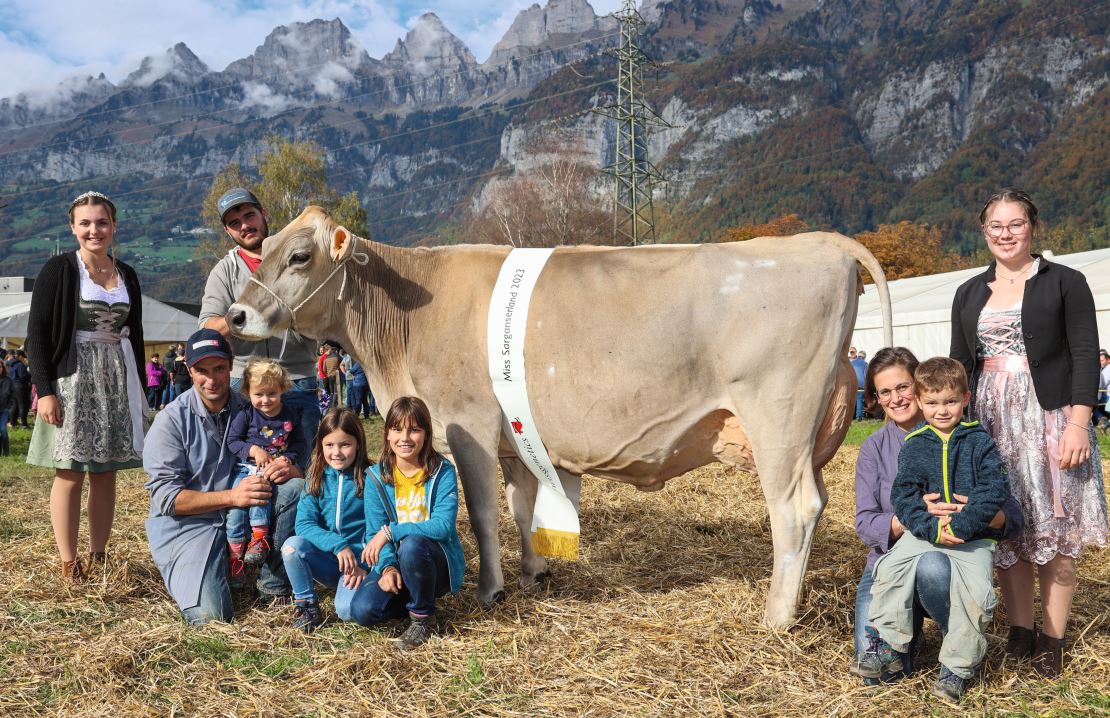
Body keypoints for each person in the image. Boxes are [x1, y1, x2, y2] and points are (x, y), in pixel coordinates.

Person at [951, 188, 1108, 677]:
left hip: (1051, 418)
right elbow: (959, 366)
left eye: (1015, 224)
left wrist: (1079, 422)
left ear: (1032, 228)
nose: (1005, 234)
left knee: (1055, 530)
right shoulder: (970, 291)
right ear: (984, 232)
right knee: (1008, 528)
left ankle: (1052, 639)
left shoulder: (1065, 281)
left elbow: (1086, 354)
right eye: (996, 226)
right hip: (991, 420)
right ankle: (1019, 631)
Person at [853, 347, 1022, 686]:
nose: (896, 399)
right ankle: (902, 642)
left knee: (933, 566)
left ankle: (956, 649)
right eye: (885, 392)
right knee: (877, 678)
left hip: (954, 552)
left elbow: (1012, 513)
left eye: (902, 387)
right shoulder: (875, 448)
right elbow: (864, 522)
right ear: (877, 398)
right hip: (892, 560)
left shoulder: (974, 439)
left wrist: (973, 517)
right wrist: (914, 519)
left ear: (917, 386)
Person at [144, 329, 306, 624]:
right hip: (191, 527)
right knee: (212, 616)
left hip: (242, 512)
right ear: (189, 371)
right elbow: (166, 498)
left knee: (296, 487)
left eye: (219, 368)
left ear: (231, 365)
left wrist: (289, 467)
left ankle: (271, 583)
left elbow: (297, 451)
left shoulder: (252, 405)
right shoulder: (170, 421)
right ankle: (208, 569)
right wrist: (233, 497)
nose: (212, 379)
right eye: (202, 371)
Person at [25, 191, 147, 582]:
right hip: (73, 379)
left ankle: (99, 554)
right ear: (73, 227)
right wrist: (45, 390)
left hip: (116, 378)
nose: (94, 230)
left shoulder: (126, 274)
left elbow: (138, 335)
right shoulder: (58, 270)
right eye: (86, 223)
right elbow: (37, 335)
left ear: (113, 226)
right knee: (70, 470)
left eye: (102, 222)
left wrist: (140, 391)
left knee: (106, 472)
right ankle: (68, 561)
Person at [198, 188, 321, 467]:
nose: (244, 225)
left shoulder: (300, 256)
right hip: (244, 386)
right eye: (234, 223)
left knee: (299, 472)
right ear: (228, 232)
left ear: (263, 214)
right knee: (246, 473)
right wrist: (245, 315)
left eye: (249, 215)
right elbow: (207, 327)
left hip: (297, 379)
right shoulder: (225, 271)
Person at [352, 396, 465, 649]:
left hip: (434, 563)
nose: (405, 438)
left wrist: (392, 531)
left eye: (414, 430)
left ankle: (423, 618)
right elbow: (374, 529)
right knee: (363, 611)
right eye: (397, 429)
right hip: (400, 562)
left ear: (426, 434)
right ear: (387, 434)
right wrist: (388, 568)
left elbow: (442, 526)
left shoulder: (442, 471)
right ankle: (413, 594)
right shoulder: (376, 477)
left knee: (413, 544)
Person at [281, 408, 373, 632]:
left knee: (346, 612)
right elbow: (303, 524)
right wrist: (337, 545)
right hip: (329, 560)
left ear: (358, 443)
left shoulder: (371, 477)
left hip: (358, 563)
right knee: (292, 547)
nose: (337, 453)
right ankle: (306, 606)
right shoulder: (315, 476)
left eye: (345, 444)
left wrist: (367, 566)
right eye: (329, 445)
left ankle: (360, 586)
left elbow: (379, 526)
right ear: (320, 446)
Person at [225, 358, 306, 577]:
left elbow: (300, 443)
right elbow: (233, 441)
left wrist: (287, 458)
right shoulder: (246, 414)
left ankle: (259, 540)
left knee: (262, 499)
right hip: (245, 468)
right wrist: (254, 450)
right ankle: (235, 559)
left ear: (282, 389)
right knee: (236, 512)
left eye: (271, 393)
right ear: (248, 392)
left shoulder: (290, 414)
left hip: (274, 469)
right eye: (258, 394)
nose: (265, 400)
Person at [6, 350, 31, 427]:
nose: (24, 359)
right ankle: (24, 424)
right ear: (20, 357)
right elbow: (24, 376)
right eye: (23, 358)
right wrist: (29, 376)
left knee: (15, 405)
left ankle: (12, 422)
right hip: (20, 387)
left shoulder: (9, 365)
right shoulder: (20, 365)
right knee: (22, 405)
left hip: (12, 386)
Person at [0, 360, 13, 455]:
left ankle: (6, 451)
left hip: (3, 409)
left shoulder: (8, 380)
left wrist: (9, 405)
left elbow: (11, 394)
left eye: (0, 367)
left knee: (3, 430)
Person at [851, 350, 868, 419]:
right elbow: (866, 375)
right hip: (861, 384)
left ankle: (850, 417)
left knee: (851, 400)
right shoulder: (865, 364)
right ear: (864, 357)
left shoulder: (852, 363)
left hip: (851, 384)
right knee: (859, 400)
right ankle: (859, 417)